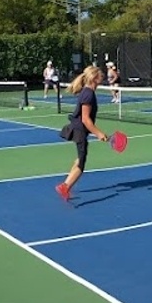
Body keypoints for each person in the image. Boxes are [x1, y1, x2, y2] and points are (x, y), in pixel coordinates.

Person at [55, 64, 109, 201]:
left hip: (80, 130)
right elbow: (85, 119)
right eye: (101, 76)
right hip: (79, 130)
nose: (102, 78)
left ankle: (66, 185)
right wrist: (98, 133)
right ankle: (65, 187)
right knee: (81, 163)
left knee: (80, 157)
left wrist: (96, 132)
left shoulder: (87, 92)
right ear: (95, 78)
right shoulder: (88, 94)